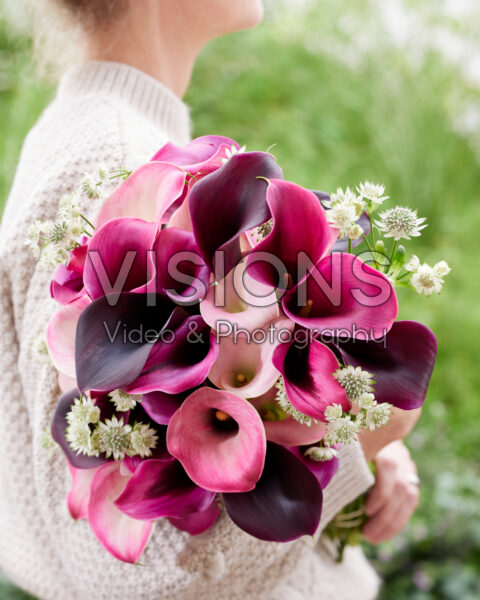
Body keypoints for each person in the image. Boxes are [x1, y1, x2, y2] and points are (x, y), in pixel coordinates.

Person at [0, 1, 420, 598]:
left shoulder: (107, 137)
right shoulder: (110, 155)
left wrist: (358, 458)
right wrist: (359, 446)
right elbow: (142, 583)